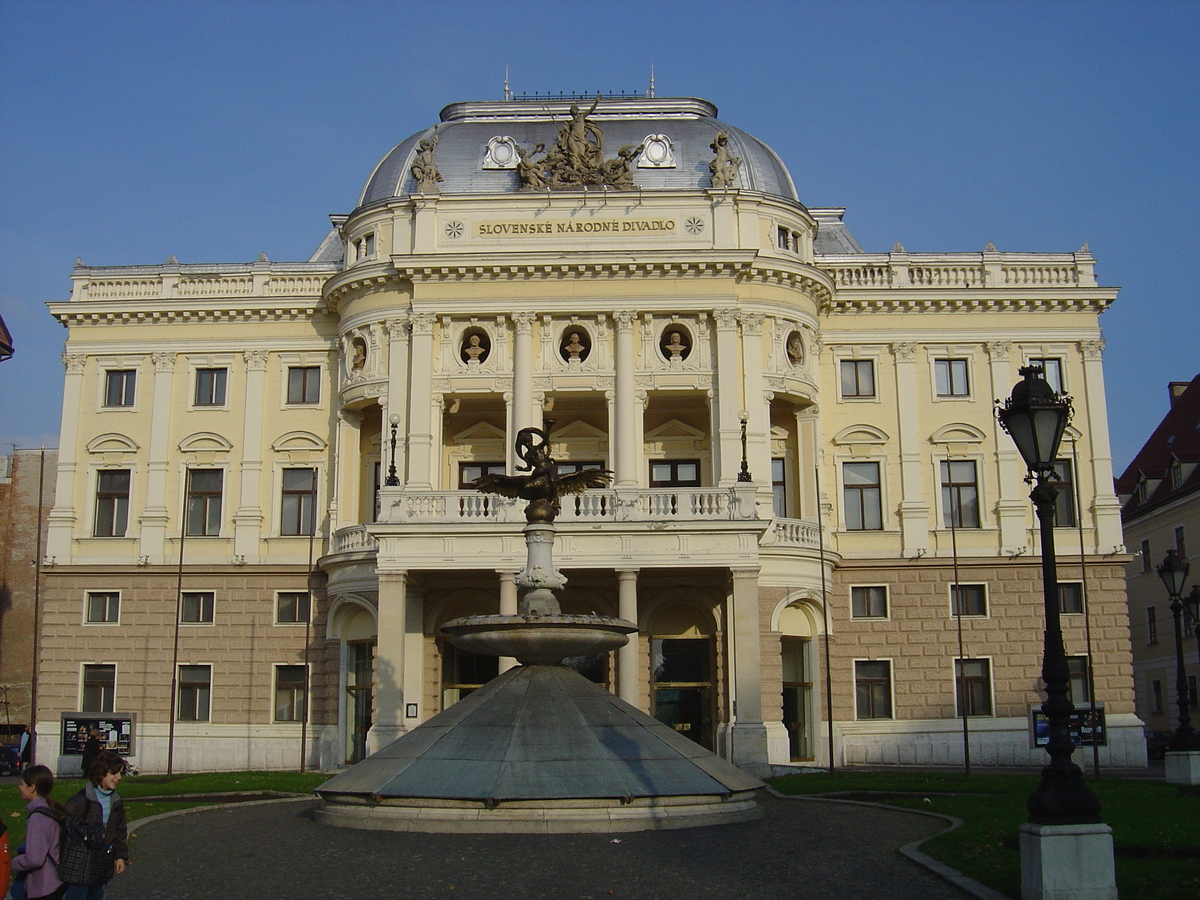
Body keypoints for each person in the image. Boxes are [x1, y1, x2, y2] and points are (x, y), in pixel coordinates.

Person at [62, 751, 128, 900]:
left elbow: (119, 831)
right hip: (80, 866)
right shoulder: (80, 800)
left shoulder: (116, 802)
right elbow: (65, 830)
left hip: (103, 865)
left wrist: (120, 856)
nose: (118, 778)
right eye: (114, 773)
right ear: (101, 772)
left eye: (120, 773)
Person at [10, 764, 66, 900]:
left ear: (32, 787)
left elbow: (34, 859)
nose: (20, 788)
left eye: (22, 784)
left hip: (44, 886)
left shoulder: (37, 817)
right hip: (56, 881)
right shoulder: (49, 808)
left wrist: (13, 863)